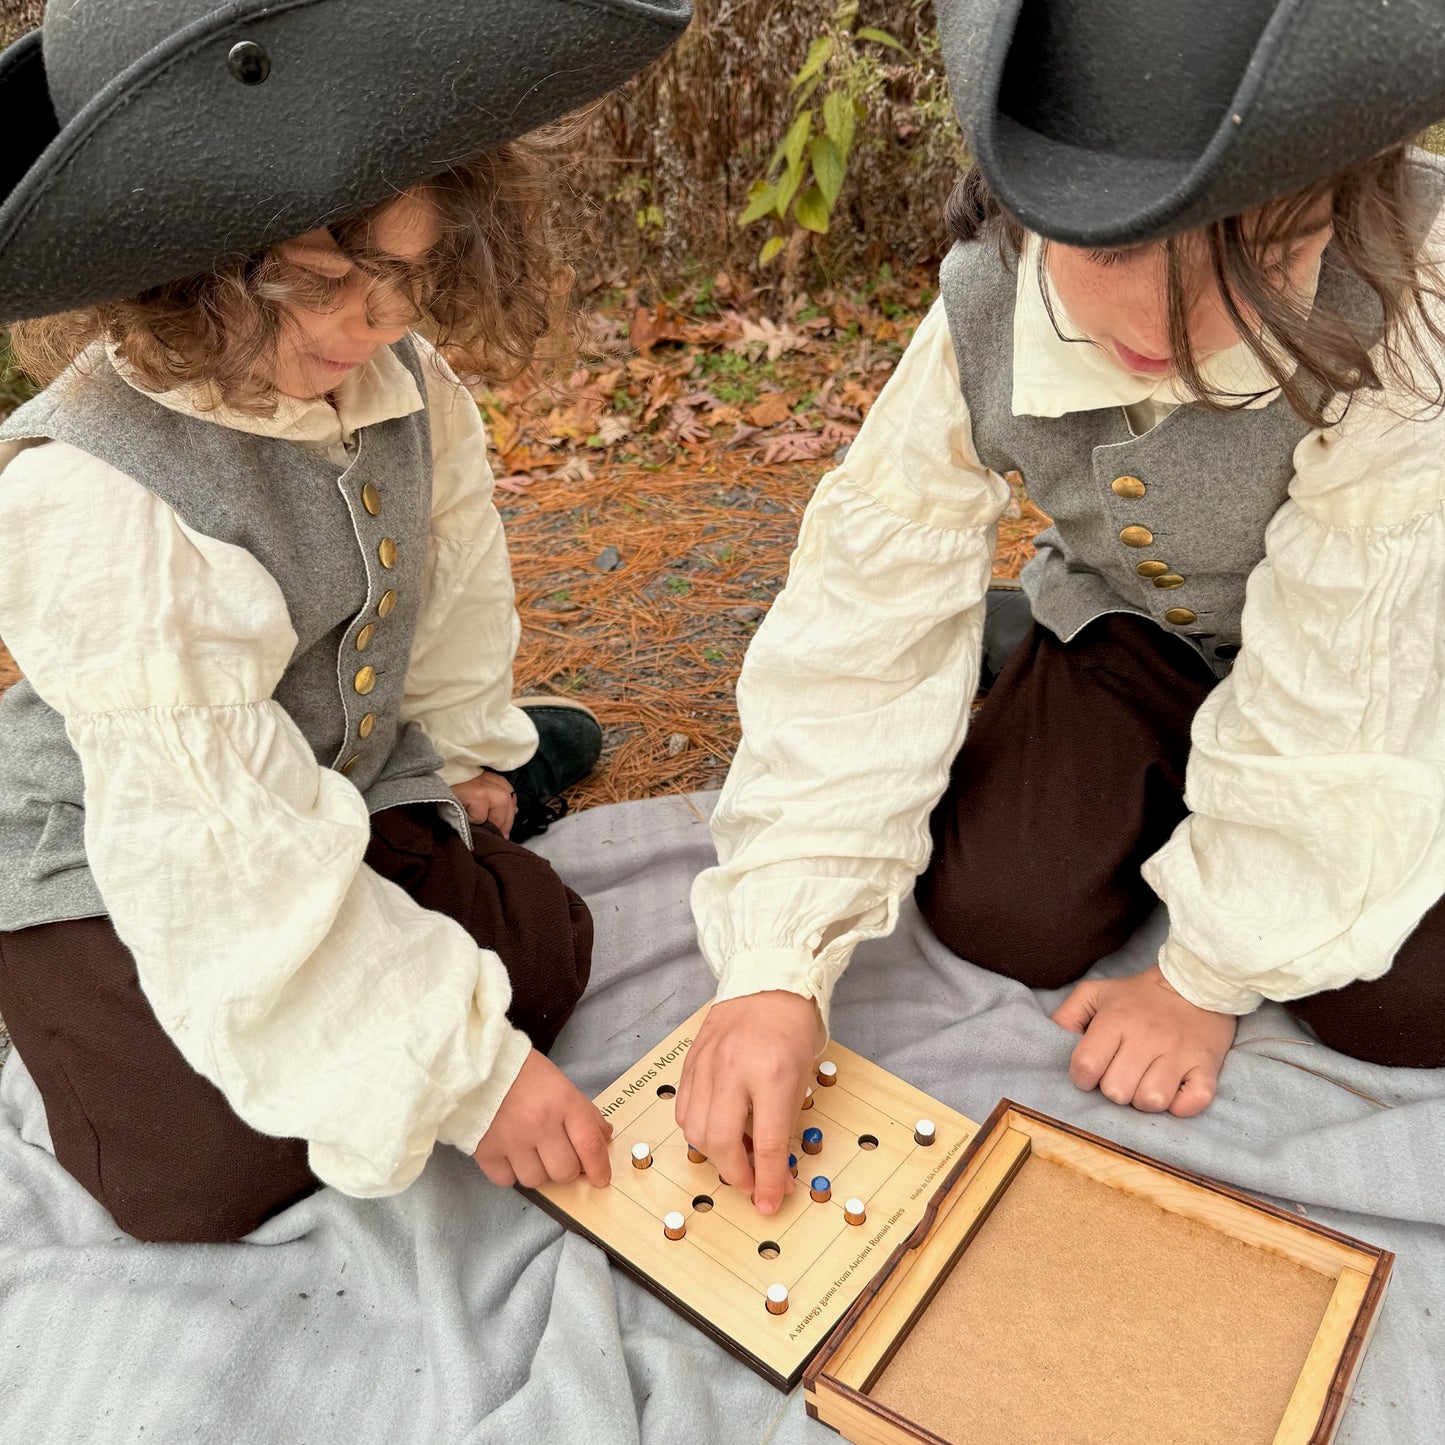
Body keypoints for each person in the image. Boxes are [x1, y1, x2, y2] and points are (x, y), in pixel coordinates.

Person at [679, 0, 1445, 1216]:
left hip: (1398, 647)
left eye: (1251, 256)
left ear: (1334, 197)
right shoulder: (982, 302)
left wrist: (1200, 974)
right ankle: (1083, 711)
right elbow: (863, 608)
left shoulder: (1413, 290)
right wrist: (774, 963)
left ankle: (1228, 832)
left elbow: (1349, 662)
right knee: (1001, 909)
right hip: (1139, 630)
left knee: (1398, 1002)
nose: (1162, 332)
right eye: (1110, 254)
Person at [0, 0, 691, 1243]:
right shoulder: (85, 487)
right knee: (199, 1174)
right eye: (315, 286)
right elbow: (215, 840)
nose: (363, 330)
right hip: (121, 844)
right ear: (176, 267)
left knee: (536, 958)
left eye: (402, 281)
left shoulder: (408, 385)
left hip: (325, 774)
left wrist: (464, 745)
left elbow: (450, 577)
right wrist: (468, 1077)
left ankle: (509, 766)